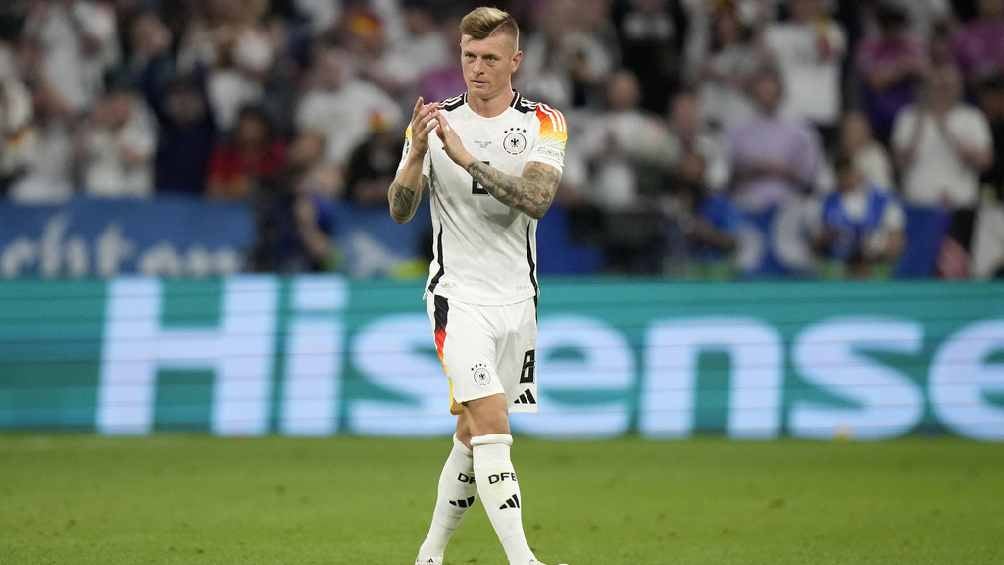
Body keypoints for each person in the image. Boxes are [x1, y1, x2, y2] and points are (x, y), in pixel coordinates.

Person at [387, 8, 567, 565]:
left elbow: (537, 200)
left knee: (471, 434)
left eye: (490, 58)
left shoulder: (544, 122)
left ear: (515, 61)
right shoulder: (434, 122)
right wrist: (417, 155)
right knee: (491, 422)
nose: (477, 68)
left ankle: (429, 554)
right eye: (469, 56)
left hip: (518, 301)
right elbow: (400, 210)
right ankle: (523, 559)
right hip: (457, 297)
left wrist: (466, 159)